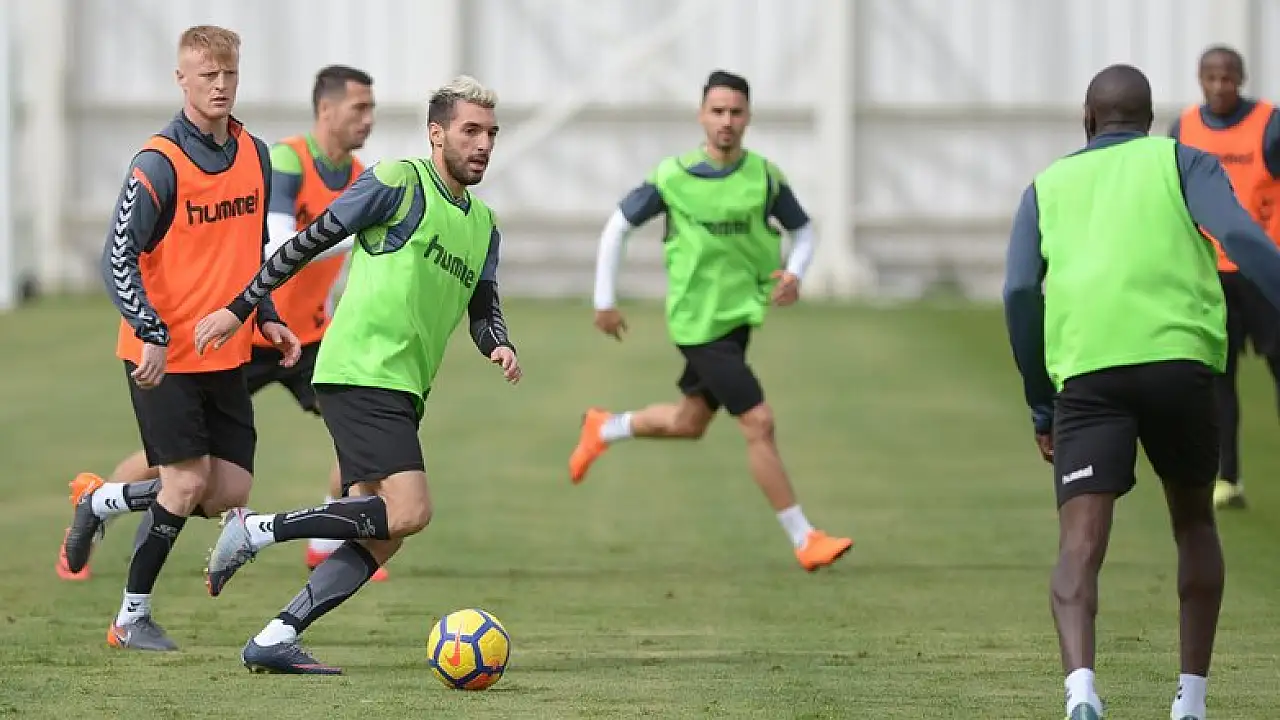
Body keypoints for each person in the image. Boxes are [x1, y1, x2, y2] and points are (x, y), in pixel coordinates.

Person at [195, 75, 519, 674]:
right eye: (470, 131)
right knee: (411, 509)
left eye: (491, 134)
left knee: (383, 531)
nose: (483, 145)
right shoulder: (398, 182)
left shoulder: (485, 226)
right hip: (361, 369)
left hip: (404, 385)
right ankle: (257, 529)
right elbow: (303, 244)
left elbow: (484, 309)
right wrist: (243, 309)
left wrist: (498, 344)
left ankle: (275, 636)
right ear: (436, 133)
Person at [1003, 63, 1280, 720]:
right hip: (1180, 366)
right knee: (1194, 522)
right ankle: (1191, 701)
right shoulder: (1183, 162)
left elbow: (1018, 291)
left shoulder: (1045, 186)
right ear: (1151, 120)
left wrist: (1041, 404)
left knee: (1079, 545)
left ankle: (1081, 692)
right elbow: (1242, 236)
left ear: (1088, 118)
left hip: (1089, 375)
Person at [56, 65, 388, 582]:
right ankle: (98, 506)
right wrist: (354, 234)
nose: (369, 118)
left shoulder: (358, 176)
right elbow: (276, 248)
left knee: (361, 427)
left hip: (306, 337)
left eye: (372, 108)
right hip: (238, 332)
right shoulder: (286, 160)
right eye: (359, 107)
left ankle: (325, 543)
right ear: (326, 109)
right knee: (173, 463)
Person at [69, 25, 301, 651]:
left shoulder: (255, 154)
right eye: (207, 75)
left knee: (229, 490)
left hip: (225, 351)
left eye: (229, 73)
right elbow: (117, 257)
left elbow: (253, 249)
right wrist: (149, 330)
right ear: (182, 79)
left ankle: (101, 501)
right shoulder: (158, 163)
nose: (220, 85)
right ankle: (129, 619)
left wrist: (267, 314)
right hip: (161, 356)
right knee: (186, 483)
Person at [568, 70, 851, 572]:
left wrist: (795, 273)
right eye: (717, 111)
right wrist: (604, 301)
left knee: (690, 422)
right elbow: (617, 228)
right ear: (702, 116)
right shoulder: (673, 176)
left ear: (748, 117)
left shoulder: (764, 177)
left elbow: (805, 230)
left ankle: (605, 427)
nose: (727, 120)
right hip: (697, 326)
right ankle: (804, 538)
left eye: (736, 112)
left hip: (739, 320)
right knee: (759, 422)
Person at [1169, 45, 1280, 510]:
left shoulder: (1271, 124)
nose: (1220, 86)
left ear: (1242, 78)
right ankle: (1227, 478)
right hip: (1211, 275)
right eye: (1212, 77)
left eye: (1228, 77)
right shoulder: (1183, 129)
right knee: (1218, 380)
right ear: (1199, 79)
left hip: (1265, 273)